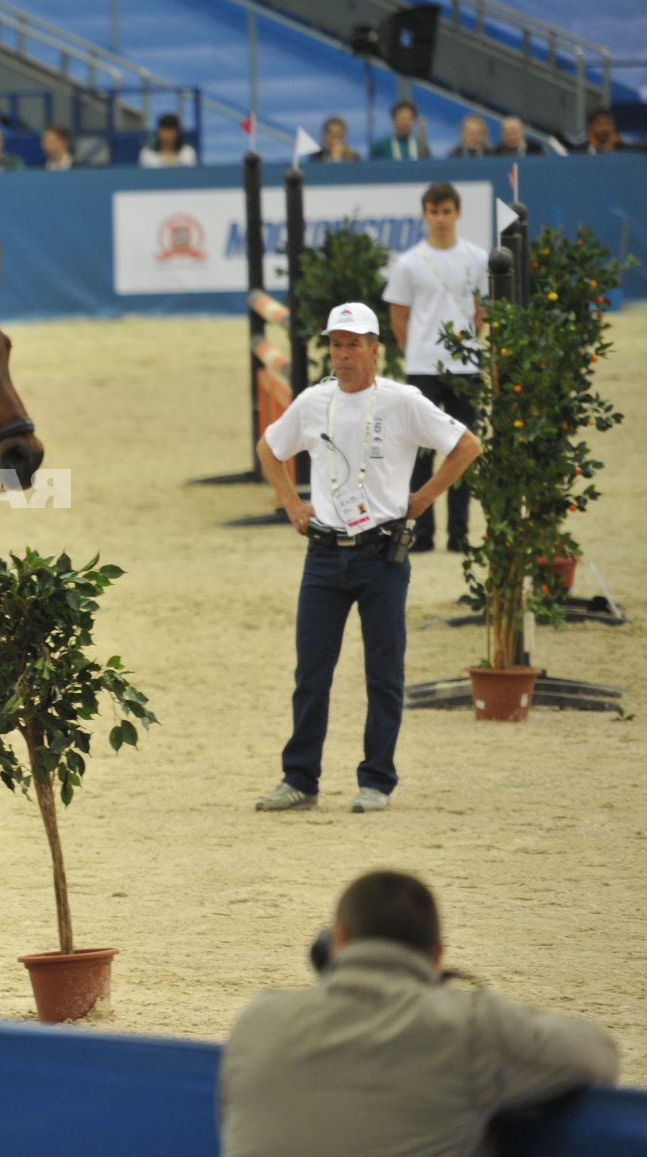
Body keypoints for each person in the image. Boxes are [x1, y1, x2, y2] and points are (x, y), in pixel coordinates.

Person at [254, 302, 480, 814]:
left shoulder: (403, 400)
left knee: (384, 672)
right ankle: (300, 778)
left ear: (375, 349)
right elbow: (270, 449)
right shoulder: (314, 401)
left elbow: (466, 445)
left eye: (354, 344)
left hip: (382, 554)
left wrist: (422, 499)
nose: (344, 354)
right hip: (324, 555)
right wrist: (291, 500)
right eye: (336, 344)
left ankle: (376, 780)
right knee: (311, 672)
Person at [219, 870, 619, 1157]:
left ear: (337, 940)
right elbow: (600, 1054)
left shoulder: (258, 1020)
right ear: (438, 954)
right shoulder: (471, 1023)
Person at [385, 181, 488, 553]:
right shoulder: (409, 262)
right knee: (421, 453)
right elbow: (399, 317)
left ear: (457, 213)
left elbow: (481, 311)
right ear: (425, 215)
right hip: (423, 368)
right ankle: (422, 533)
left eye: (447, 211)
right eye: (434, 212)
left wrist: (469, 347)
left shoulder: (476, 258)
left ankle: (458, 535)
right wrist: (418, 352)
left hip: (465, 367)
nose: (441, 219)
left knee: (461, 449)